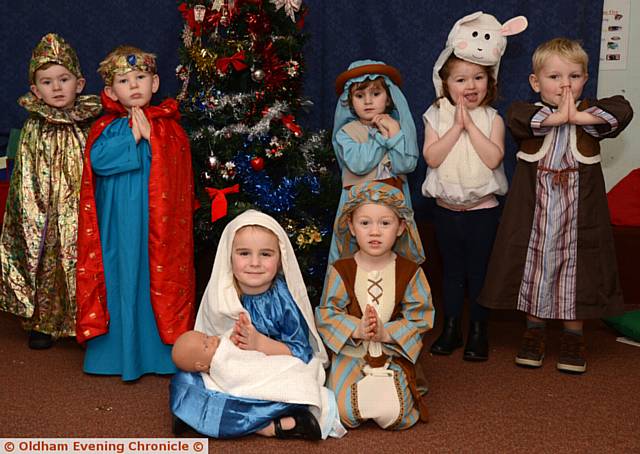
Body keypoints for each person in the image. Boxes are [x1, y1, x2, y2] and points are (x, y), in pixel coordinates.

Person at [479, 38, 634, 374]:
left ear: (585, 80)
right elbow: (519, 118)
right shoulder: (529, 113)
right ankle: (534, 332)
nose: (565, 84)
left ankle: (573, 336)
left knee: (577, 273)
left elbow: (622, 110)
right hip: (536, 219)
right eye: (554, 77)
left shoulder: (591, 115)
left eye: (574, 76)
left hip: (579, 220)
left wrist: (575, 116)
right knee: (536, 270)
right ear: (536, 82)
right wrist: (557, 118)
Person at [75, 45, 196, 381]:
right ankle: (114, 354)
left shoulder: (171, 129)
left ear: (155, 83)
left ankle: (157, 352)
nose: (134, 86)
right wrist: (133, 135)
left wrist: (153, 138)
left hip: (158, 225)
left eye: (140, 77)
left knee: (153, 277)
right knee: (119, 276)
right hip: (117, 224)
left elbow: (179, 173)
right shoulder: (106, 128)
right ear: (111, 91)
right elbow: (97, 162)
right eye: (124, 81)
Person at [170, 210, 345, 440]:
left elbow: (301, 352)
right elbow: (208, 347)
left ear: (280, 258)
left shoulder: (283, 298)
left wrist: (259, 343)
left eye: (265, 254)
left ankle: (237, 422)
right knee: (184, 378)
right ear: (229, 256)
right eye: (244, 253)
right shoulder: (222, 293)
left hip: (274, 368)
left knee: (300, 382)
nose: (254, 263)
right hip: (230, 372)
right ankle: (274, 424)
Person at [421, 12, 527, 361]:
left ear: (489, 81)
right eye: (461, 79)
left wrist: (471, 127)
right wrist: (455, 126)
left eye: (478, 78)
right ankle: (451, 328)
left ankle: (479, 330)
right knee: (452, 272)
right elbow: (432, 158)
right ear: (446, 83)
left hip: (483, 211)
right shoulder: (435, 114)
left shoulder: (492, 118)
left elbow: (494, 157)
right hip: (446, 211)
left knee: (479, 273)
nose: (470, 86)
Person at [0, 33, 101, 349]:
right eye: (47, 82)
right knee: (45, 261)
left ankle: (87, 321)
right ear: (35, 89)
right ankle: (44, 323)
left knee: (85, 259)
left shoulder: (90, 122)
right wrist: (35, 212)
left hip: (84, 209)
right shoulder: (35, 126)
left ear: (80, 83)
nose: (56, 88)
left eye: (63, 79)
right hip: (44, 211)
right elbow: (25, 176)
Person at [316, 181, 434, 430]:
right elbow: (327, 312)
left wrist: (386, 333)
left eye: (385, 223)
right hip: (352, 352)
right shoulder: (341, 270)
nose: (375, 232)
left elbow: (420, 316)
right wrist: (356, 329)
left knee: (397, 417)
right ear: (351, 226)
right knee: (343, 414)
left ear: (401, 227)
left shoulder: (410, 272)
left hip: (392, 351)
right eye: (365, 223)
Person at [328, 59, 422, 265]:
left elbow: (405, 165)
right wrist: (381, 137)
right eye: (360, 96)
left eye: (376, 94)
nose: (368, 101)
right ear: (350, 101)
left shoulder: (396, 126)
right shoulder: (346, 133)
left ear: (388, 98)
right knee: (353, 258)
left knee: (396, 258)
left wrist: (395, 133)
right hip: (359, 207)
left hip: (392, 205)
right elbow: (359, 164)